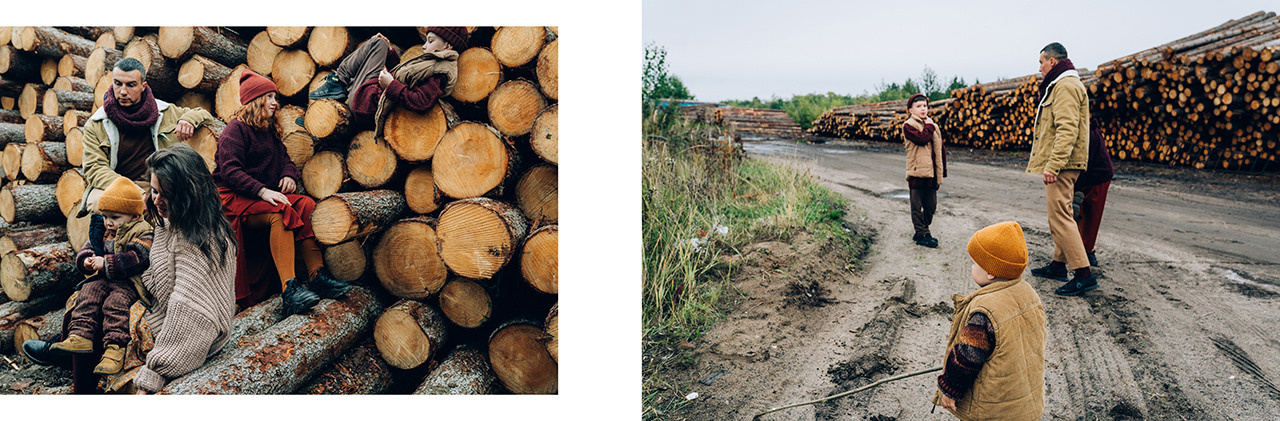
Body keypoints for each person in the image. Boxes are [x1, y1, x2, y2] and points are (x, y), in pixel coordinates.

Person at [25, 144, 238, 394]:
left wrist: (154, 374)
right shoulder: (172, 220)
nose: (156, 199)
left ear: (186, 194)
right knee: (87, 296)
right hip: (159, 304)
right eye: (154, 191)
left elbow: (189, 314)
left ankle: (82, 385)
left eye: (164, 194)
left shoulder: (197, 242)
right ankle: (70, 353)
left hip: (179, 328)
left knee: (109, 312)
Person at [215, 70, 351, 315]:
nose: (275, 102)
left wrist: (289, 175)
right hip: (234, 200)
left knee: (306, 205)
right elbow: (230, 171)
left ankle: (316, 276)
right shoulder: (234, 131)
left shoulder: (267, 131)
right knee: (282, 212)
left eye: (274, 97)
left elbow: (286, 160)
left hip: (259, 196)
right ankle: (290, 289)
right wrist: (262, 191)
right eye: (268, 97)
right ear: (254, 100)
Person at [933, 221, 1046, 420]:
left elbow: (968, 357)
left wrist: (950, 389)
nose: (971, 266)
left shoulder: (984, 312)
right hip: (1024, 404)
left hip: (993, 411)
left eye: (975, 263)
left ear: (991, 271)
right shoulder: (1029, 295)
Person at [78, 57, 216, 217]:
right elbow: (94, 168)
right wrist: (133, 193)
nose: (123, 91)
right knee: (98, 201)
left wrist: (189, 119)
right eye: (117, 83)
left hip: (157, 185)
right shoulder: (97, 123)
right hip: (115, 184)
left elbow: (205, 115)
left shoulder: (163, 111)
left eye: (130, 85)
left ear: (143, 86)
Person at [48, 177, 154, 376]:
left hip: (129, 282)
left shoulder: (142, 230)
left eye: (115, 217)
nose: (108, 222)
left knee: (115, 304)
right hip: (104, 278)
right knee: (87, 293)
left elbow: (139, 257)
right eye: (105, 216)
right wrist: (86, 260)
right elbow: (88, 248)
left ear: (133, 214)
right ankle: (80, 335)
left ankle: (115, 349)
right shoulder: (104, 230)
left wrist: (107, 263)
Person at [1024, 42, 1096, 296]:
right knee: (1062, 214)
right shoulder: (1065, 83)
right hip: (1066, 162)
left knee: (1060, 218)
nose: (1040, 68)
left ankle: (1083, 274)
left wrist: (1053, 165)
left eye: (1042, 62)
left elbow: (1067, 130)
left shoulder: (1064, 85)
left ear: (1052, 61)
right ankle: (1058, 265)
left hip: (1063, 164)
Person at [306, 26, 467, 136]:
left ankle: (337, 82)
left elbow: (422, 101)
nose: (424, 46)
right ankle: (321, 107)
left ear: (447, 46)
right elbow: (403, 79)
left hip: (366, 104)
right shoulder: (433, 63)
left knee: (377, 44)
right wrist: (390, 53)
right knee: (381, 43)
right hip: (368, 95)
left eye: (430, 41)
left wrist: (391, 85)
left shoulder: (440, 72)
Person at [901, 93, 947, 248]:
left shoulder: (931, 124)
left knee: (931, 206)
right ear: (910, 110)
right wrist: (929, 126)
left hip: (931, 173)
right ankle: (922, 235)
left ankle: (921, 229)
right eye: (918, 106)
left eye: (925, 106)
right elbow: (922, 139)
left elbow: (940, 149)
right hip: (917, 173)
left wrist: (941, 171)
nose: (923, 109)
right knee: (917, 206)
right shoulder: (909, 126)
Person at [1074, 118, 1114, 266]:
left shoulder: (1087, 133)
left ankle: (1088, 252)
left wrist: (1076, 190)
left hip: (1098, 177)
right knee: (1080, 215)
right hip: (1087, 176)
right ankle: (1080, 249)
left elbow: (1084, 164)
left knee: (1091, 216)